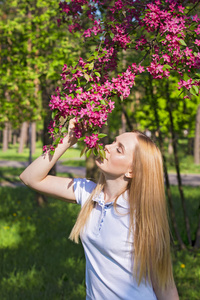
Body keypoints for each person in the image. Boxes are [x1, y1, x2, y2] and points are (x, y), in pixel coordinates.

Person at [20, 119, 179, 300]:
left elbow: (165, 286)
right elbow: (30, 177)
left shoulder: (141, 217)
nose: (107, 147)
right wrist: (69, 139)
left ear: (132, 171)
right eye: (112, 141)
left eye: (119, 149)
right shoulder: (88, 193)